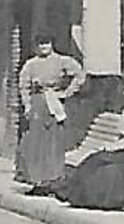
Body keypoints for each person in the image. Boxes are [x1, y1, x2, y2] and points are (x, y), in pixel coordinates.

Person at [57, 74, 124, 210]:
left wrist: (112, 148)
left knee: (101, 160)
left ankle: (89, 197)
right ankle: (76, 193)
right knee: (95, 158)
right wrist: (112, 147)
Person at [17, 34, 86, 193]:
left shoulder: (62, 61)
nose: (44, 47)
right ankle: (37, 181)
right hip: (38, 104)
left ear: (52, 44)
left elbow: (79, 74)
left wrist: (67, 92)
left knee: (53, 141)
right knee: (35, 141)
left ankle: (53, 179)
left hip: (54, 103)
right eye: (40, 44)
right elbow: (24, 85)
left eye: (46, 43)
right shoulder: (31, 64)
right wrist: (27, 105)